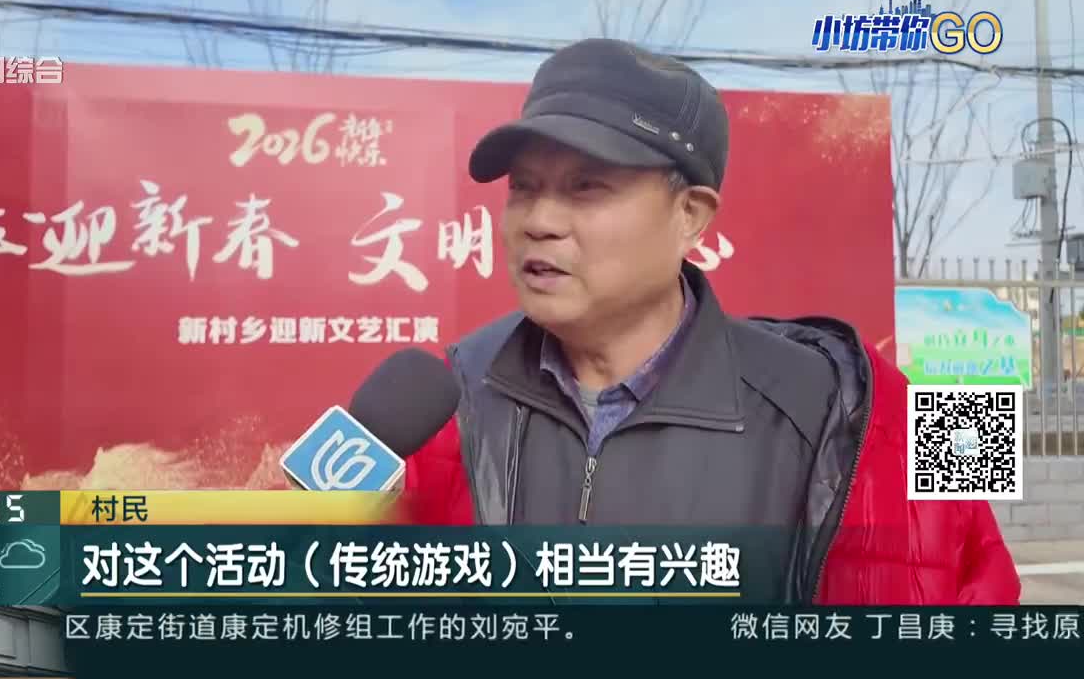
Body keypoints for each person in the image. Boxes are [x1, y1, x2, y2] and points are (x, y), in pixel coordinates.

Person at [399, 38, 1020, 605]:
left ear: (691, 216)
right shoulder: (445, 404)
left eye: (586, 187)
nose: (539, 221)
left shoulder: (877, 405)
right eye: (524, 188)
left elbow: (986, 589)